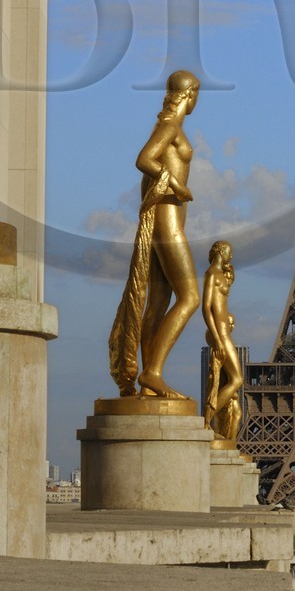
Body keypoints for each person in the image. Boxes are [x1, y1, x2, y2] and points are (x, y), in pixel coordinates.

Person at [108, 72, 201, 398]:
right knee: (190, 297)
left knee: (159, 301)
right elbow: (144, 159)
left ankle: (149, 383)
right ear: (190, 94)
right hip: (167, 216)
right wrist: (175, 184)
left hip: (172, 216)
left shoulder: (172, 126)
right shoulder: (170, 127)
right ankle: (153, 372)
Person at [202, 240, 243, 442]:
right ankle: (205, 419)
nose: (231, 256)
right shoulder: (211, 274)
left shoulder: (220, 274)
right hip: (220, 334)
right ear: (220, 251)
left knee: (232, 380)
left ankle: (210, 419)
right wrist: (217, 338)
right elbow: (206, 308)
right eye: (229, 252)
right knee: (237, 379)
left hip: (224, 331)